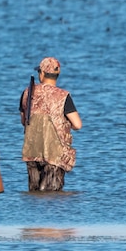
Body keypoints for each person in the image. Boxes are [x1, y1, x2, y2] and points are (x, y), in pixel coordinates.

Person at [19, 57, 83, 192]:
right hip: (54, 154)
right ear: (57, 75)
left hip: (32, 152)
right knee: (52, 196)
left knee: (34, 194)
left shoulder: (27, 93)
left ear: (42, 73)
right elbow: (77, 125)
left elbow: (23, 121)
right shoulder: (63, 96)